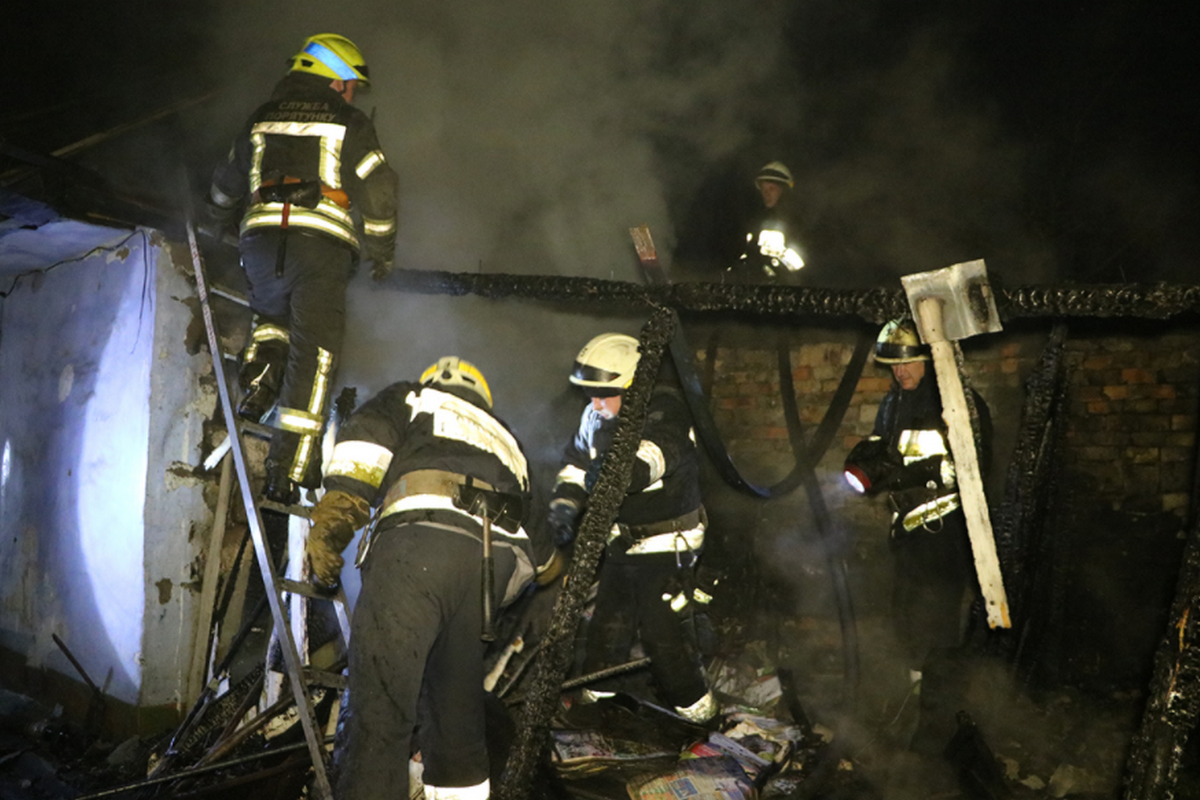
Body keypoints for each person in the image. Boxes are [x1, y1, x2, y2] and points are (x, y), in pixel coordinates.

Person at [303, 356, 561, 800]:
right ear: (483, 399)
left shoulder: (414, 396)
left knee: (379, 710)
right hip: (490, 570)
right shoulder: (507, 439)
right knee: (456, 714)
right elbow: (547, 560)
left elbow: (367, 444)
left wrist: (334, 522)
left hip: (418, 547)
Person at [206, 33, 399, 503]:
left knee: (271, 322)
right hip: (319, 248)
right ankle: (286, 471)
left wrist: (216, 219)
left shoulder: (260, 119)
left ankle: (257, 389)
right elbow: (380, 188)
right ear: (333, 80)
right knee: (315, 356)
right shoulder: (348, 121)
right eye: (351, 84)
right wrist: (381, 250)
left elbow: (225, 183)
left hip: (259, 242)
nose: (353, 94)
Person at [547, 332, 717, 724]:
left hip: (668, 541)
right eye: (590, 394)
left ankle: (702, 718)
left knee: (663, 635)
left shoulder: (665, 409)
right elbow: (574, 464)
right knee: (608, 629)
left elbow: (658, 453)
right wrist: (564, 507)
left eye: (605, 394)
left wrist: (622, 472)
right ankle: (596, 713)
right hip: (622, 544)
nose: (596, 403)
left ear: (633, 386)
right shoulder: (595, 416)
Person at [843, 318, 991, 752]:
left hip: (946, 535)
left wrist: (926, 472)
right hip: (908, 532)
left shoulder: (959, 403)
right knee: (905, 621)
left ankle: (937, 729)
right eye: (893, 366)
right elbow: (885, 448)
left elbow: (977, 466)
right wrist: (868, 458)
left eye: (908, 364)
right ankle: (909, 710)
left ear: (929, 357)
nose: (900, 373)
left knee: (939, 629)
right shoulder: (893, 403)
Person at [728, 160, 806, 283]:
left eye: (772, 189)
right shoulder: (754, 221)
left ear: (784, 191)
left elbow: (804, 263)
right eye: (763, 189)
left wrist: (775, 266)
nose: (766, 194)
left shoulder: (798, 222)